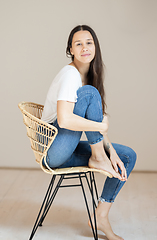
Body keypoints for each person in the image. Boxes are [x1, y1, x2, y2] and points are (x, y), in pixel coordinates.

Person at [41, 25, 136, 240]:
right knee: (90, 94)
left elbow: (92, 124)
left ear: (95, 47)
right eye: (78, 44)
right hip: (53, 149)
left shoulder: (88, 80)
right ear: (70, 50)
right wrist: (102, 128)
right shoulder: (70, 75)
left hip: (67, 147)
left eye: (89, 42)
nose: (84, 47)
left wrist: (110, 150)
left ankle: (100, 216)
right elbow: (65, 119)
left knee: (127, 156)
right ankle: (97, 157)